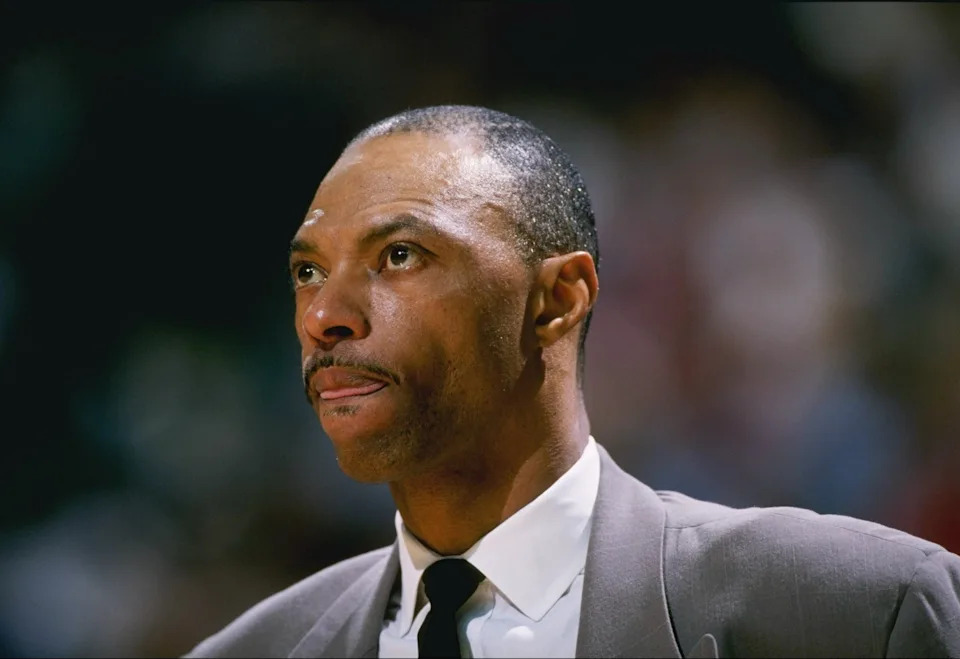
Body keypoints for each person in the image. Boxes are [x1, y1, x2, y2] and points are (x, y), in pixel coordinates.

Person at [186, 105, 960, 658]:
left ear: (558, 298)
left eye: (399, 256)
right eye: (308, 270)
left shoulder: (857, 612)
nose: (324, 314)